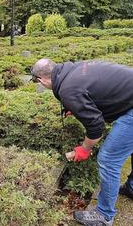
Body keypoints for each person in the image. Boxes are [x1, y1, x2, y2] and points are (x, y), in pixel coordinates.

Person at [31, 58, 133, 226]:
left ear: (41, 79)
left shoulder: (69, 90)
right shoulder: (72, 69)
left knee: (108, 160)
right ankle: (132, 187)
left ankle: (104, 215)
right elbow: (96, 90)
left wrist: (84, 149)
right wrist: (79, 106)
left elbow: (96, 127)